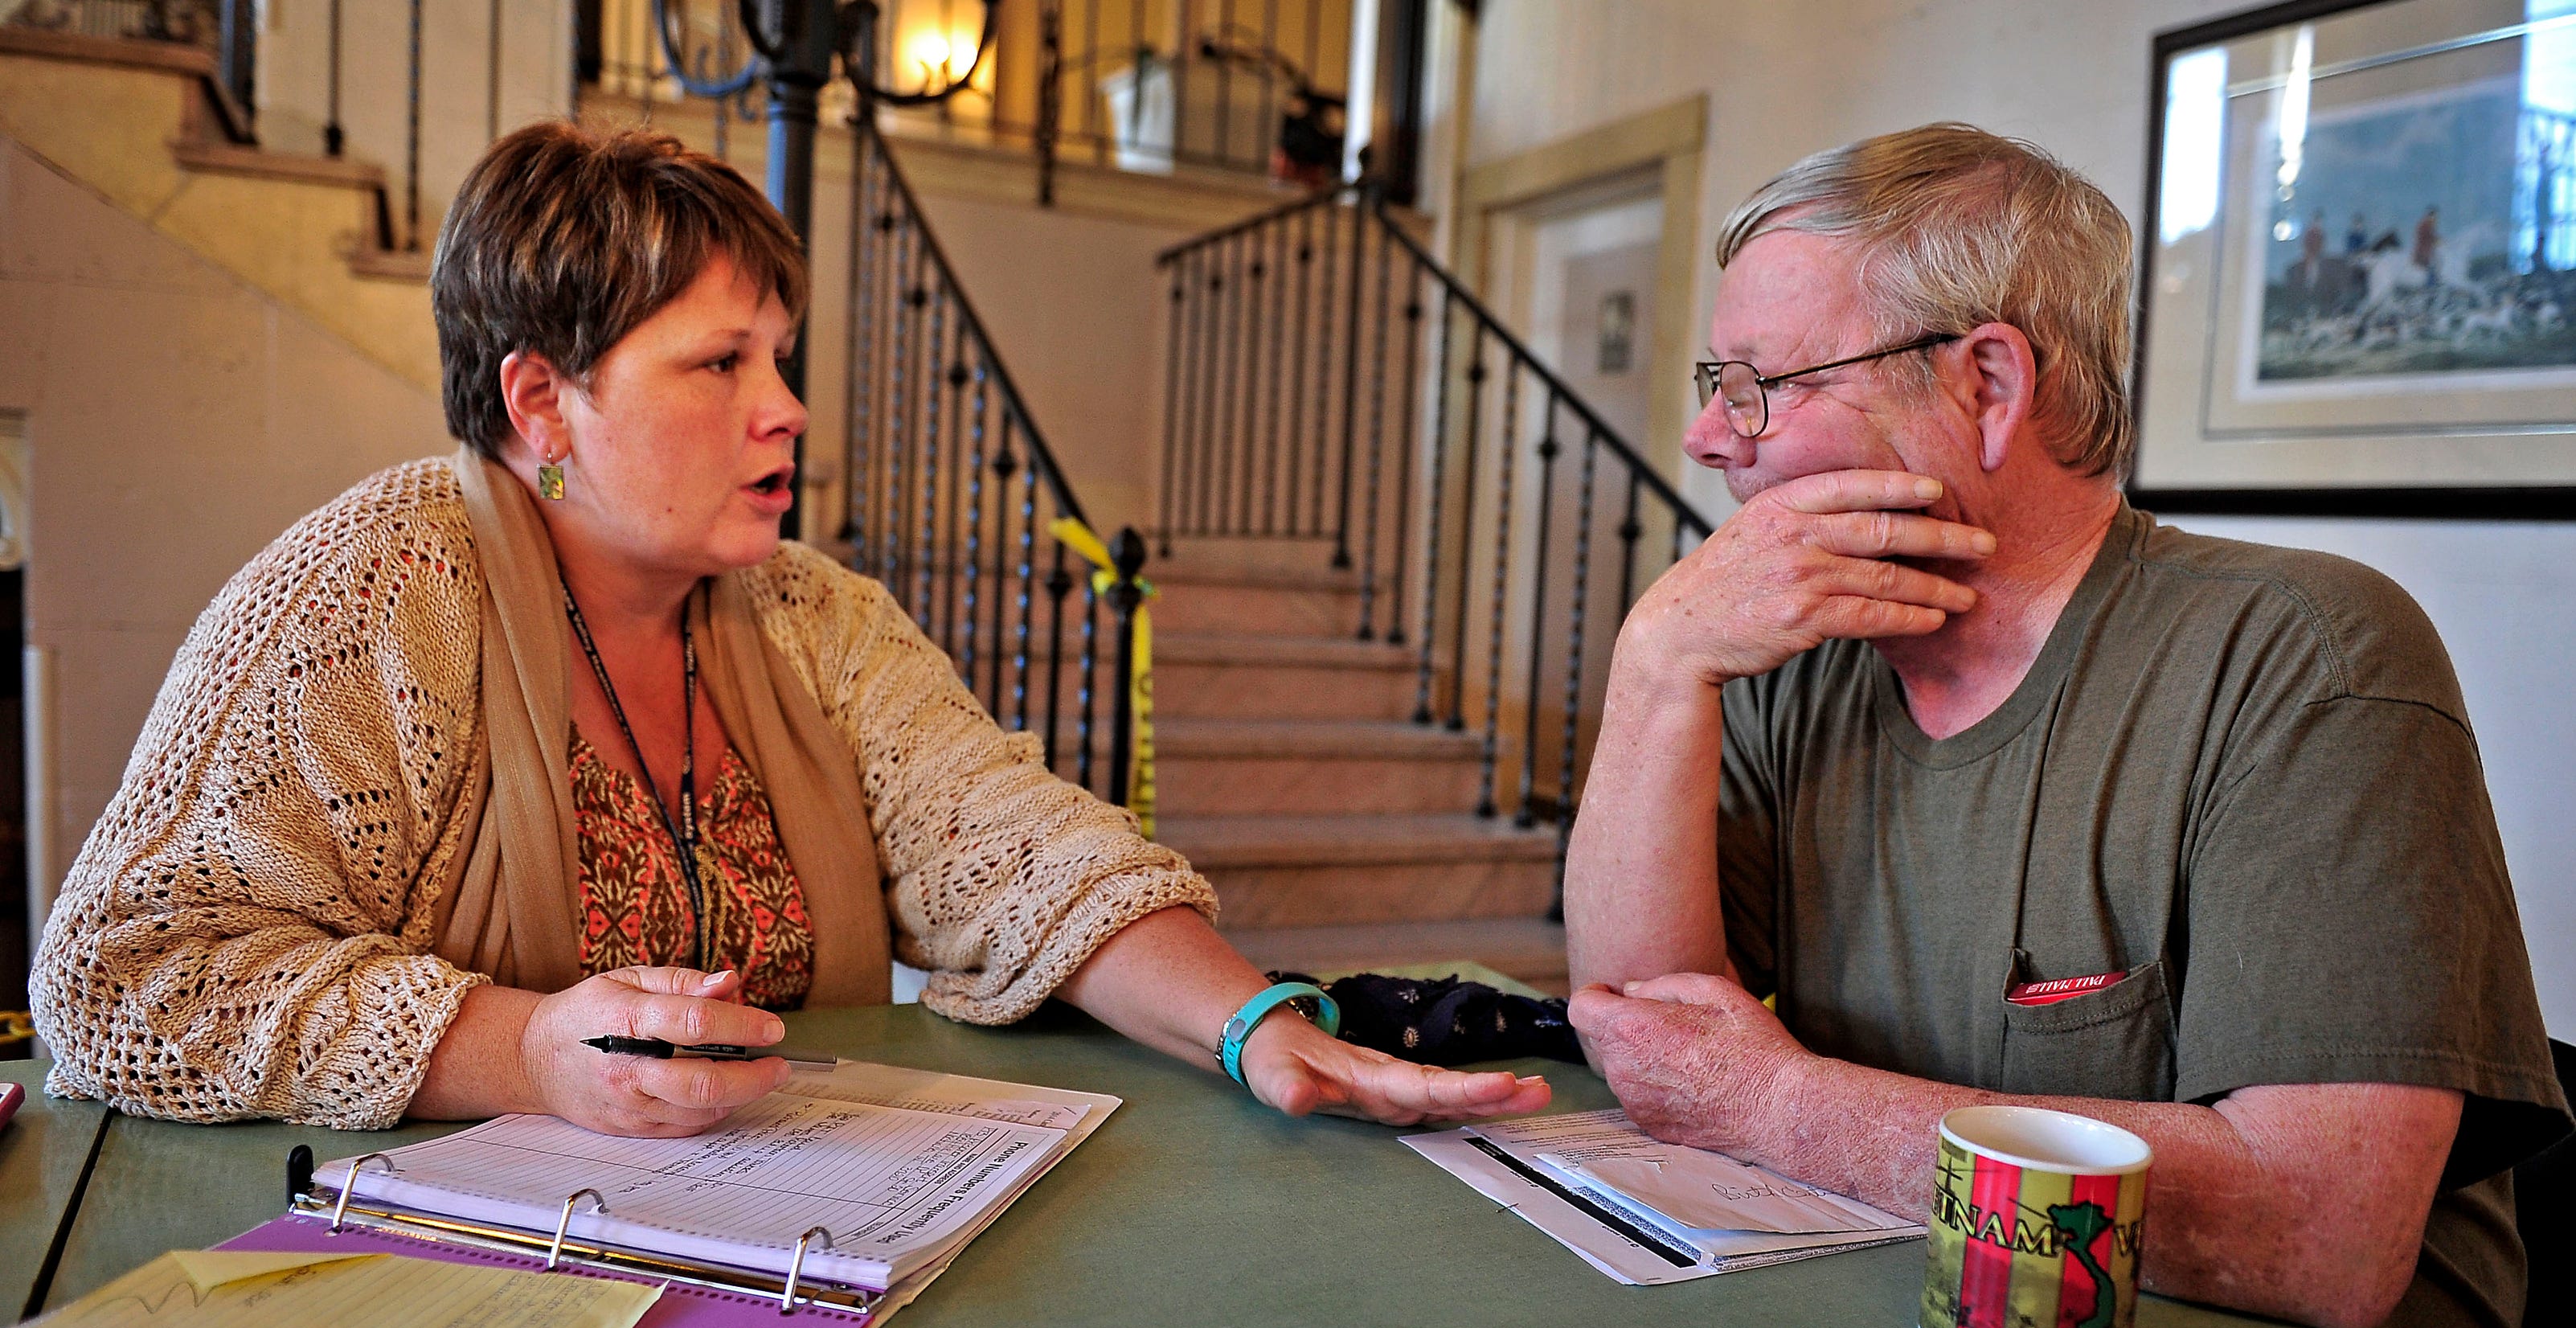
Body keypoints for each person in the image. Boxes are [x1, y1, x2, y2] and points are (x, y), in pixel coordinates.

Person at [31, 121, 1548, 1139]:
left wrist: (1251, 1026)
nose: (787, 411)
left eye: (781, 356)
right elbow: (117, 977)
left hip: (801, 1259)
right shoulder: (372, 590)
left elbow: (1014, 847)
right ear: (540, 400)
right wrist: (516, 1051)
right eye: (717, 364)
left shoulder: (814, 613)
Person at [1563, 123, 2567, 1328]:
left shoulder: (2306, 652)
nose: (1713, 439)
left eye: (1764, 384)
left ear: (1986, 386)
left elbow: (2322, 1234)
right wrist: (1656, 665)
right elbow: (1648, 1041)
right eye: (1716, 383)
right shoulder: (1798, 661)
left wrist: (1776, 1107)